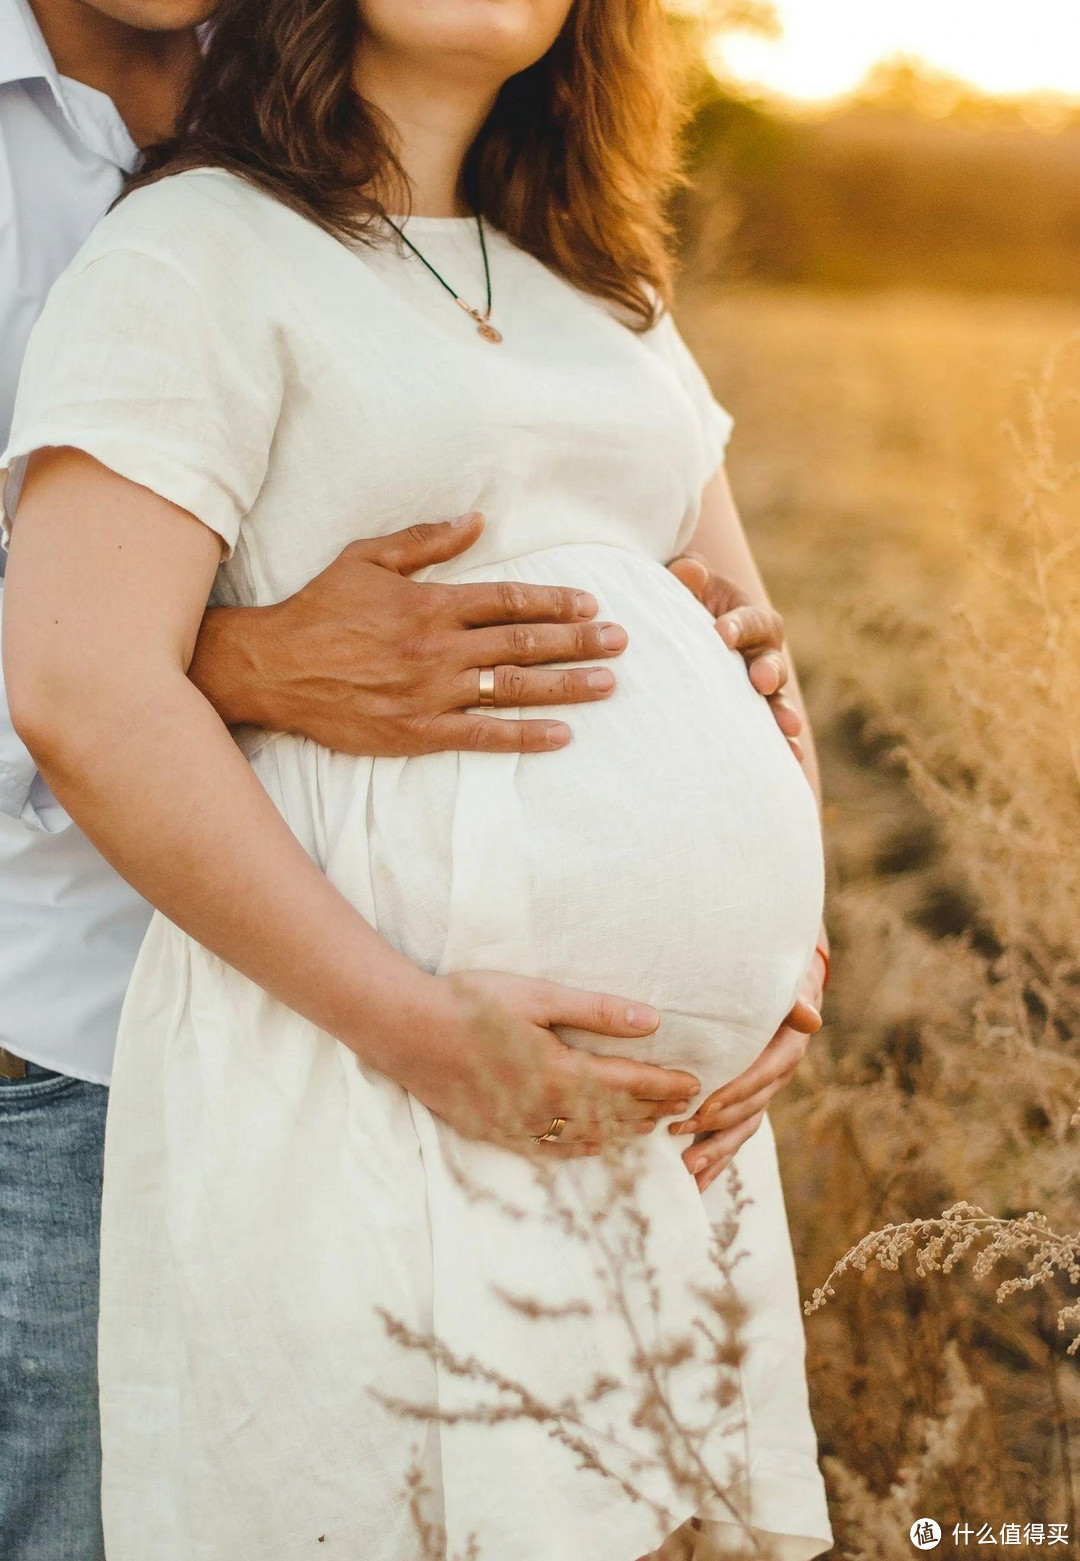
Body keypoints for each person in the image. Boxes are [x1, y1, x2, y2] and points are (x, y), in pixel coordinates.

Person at [0, 0, 830, 1556]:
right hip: (327, 1069)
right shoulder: (197, 246)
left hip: (644, 1134)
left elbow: (750, 651)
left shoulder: (613, 289)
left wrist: (791, 968)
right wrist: (424, 1029)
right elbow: (80, 677)